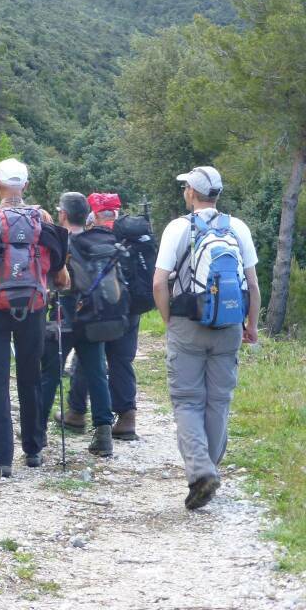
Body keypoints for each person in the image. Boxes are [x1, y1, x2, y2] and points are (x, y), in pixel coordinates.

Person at [153, 165, 260, 510]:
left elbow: (159, 282)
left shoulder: (177, 228)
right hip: (229, 324)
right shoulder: (238, 228)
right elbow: (253, 286)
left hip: (187, 322)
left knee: (187, 400)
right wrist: (251, 326)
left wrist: (169, 320)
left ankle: (201, 472)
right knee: (218, 401)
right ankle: (209, 469)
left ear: (191, 193)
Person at [0, 158, 68, 477]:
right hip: (33, 308)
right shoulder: (43, 217)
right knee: (30, 376)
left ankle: (1, 458)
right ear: (26, 186)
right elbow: (62, 275)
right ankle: (33, 450)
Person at [39, 192, 115, 459]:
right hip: (94, 315)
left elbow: (53, 281)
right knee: (96, 373)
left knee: (50, 373)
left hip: (65, 315)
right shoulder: (97, 241)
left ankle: (36, 432)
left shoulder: (61, 242)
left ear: (62, 214)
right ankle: (104, 434)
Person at [65, 192, 143, 440]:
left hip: (99, 308)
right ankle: (127, 417)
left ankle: (77, 412)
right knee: (121, 360)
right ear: (117, 212)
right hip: (130, 309)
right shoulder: (131, 235)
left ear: (94, 213)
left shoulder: (90, 237)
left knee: (89, 357)